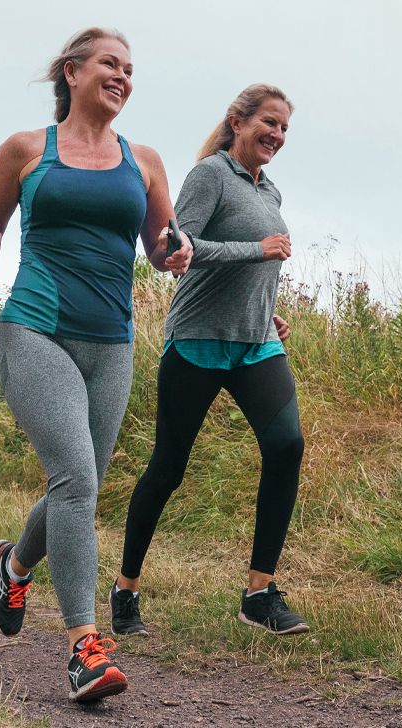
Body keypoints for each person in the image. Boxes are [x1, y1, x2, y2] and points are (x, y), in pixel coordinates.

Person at [0, 28, 192, 703]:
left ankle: (14, 562)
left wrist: (173, 252)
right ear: (72, 71)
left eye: (129, 69)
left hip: (112, 342)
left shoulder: (144, 160)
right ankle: (84, 649)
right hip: (36, 327)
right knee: (75, 479)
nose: (122, 76)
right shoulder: (26, 150)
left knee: (79, 485)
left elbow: (161, 243)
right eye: (108, 64)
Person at [109, 84, 309, 638]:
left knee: (286, 445)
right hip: (196, 341)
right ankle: (125, 589)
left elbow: (256, 271)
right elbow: (178, 252)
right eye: (269, 123)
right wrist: (258, 249)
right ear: (239, 122)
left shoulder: (272, 193)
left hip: (255, 345)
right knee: (168, 468)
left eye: (285, 128)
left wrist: (269, 313)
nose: (277, 135)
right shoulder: (210, 175)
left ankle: (259, 593)